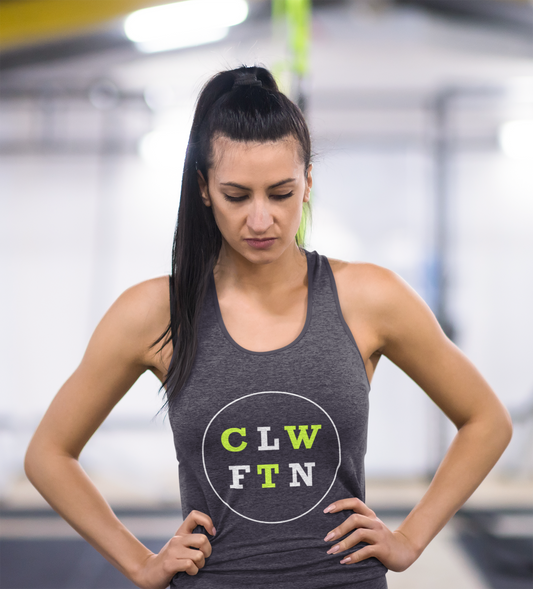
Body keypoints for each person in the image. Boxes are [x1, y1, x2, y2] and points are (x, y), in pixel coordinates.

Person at [24, 64, 512, 589]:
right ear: (204, 189)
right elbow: (48, 455)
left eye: (280, 193)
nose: (260, 220)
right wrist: (141, 563)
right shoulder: (155, 312)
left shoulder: (369, 297)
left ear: (307, 184)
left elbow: (486, 420)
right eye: (237, 196)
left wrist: (410, 538)